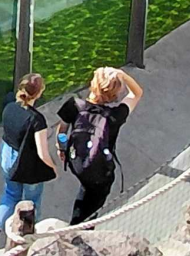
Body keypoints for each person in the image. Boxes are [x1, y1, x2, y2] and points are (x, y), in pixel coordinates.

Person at [0, 73, 60, 253]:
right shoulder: (37, 120)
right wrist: (53, 168)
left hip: (7, 156)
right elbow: (42, 153)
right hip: (27, 164)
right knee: (32, 201)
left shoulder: (9, 106)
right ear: (39, 93)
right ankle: (29, 239)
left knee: (10, 194)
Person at [57, 68, 144, 225]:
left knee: (85, 190)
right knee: (92, 204)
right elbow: (137, 93)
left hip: (75, 162)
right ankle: (81, 230)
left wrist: (61, 148)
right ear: (114, 95)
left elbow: (62, 130)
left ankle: (75, 222)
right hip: (100, 173)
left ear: (93, 84)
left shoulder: (74, 105)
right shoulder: (115, 116)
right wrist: (122, 74)